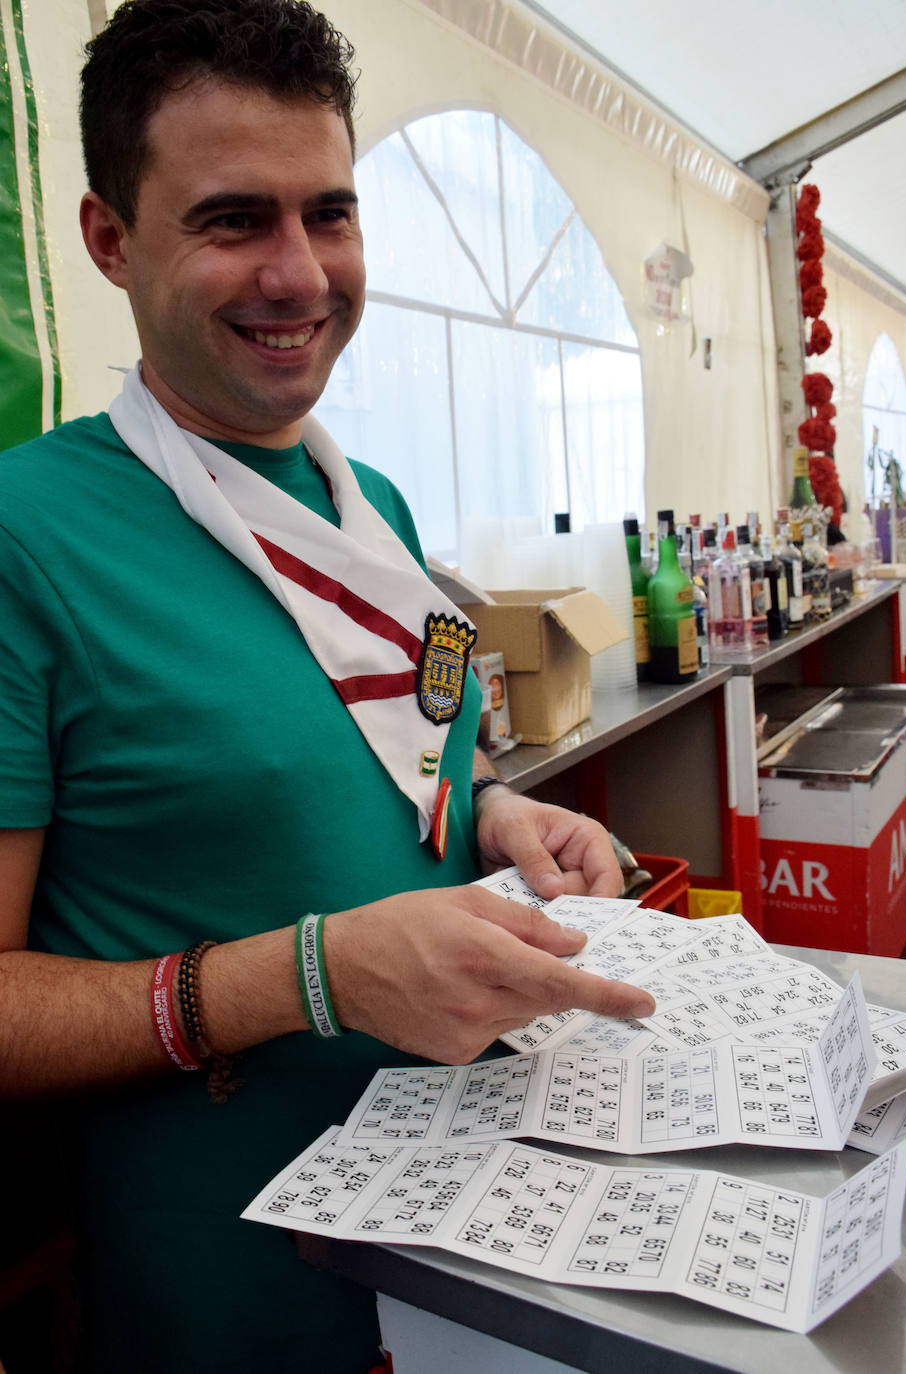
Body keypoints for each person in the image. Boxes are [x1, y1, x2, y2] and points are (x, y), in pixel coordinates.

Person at [0, 2, 654, 1370]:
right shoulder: (27, 536)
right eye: (234, 219)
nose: (300, 274)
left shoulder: (381, 508)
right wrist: (310, 972)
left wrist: (489, 820)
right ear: (108, 240)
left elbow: (399, 763)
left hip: (474, 1231)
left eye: (331, 213)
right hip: (235, 1284)